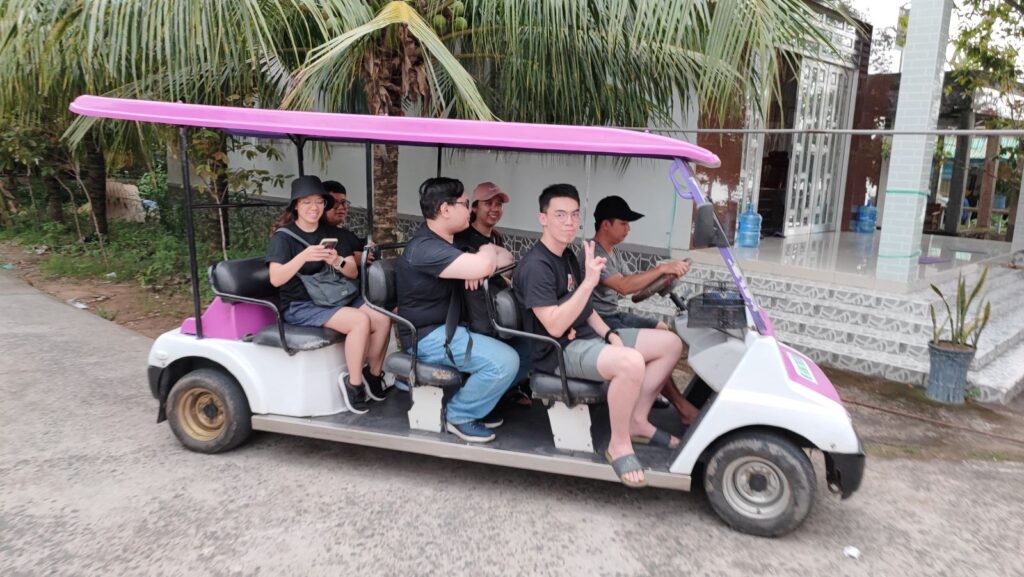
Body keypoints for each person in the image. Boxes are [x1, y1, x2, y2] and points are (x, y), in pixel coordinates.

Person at [513, 184, 684, 488]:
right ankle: (619, 444)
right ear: (543, 218)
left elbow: (588, 309)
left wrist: (609, 333)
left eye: (574, 215)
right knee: (630, 363)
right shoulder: (536, 266)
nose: (569, 222)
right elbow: (553, 326)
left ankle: (636, 421)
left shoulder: (567, 256)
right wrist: (589, 282)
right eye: (560, 215)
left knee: (670, 343)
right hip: (558, 351)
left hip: (586, 335)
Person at [395, 177, 519, 443]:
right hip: (427, 337)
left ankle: (478, 405)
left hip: (449, 328)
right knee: (505, 361)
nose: (469, 210)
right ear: (445, 209)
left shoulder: (448, 241)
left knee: (524, 349)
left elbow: (507, 258)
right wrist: (485, 256)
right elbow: (484, 266)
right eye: (465, 204)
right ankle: (459, 415)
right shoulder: (425, 248)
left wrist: (483, 256)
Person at [266, 176, 392, 415]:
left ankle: (372, 375)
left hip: (334, 297)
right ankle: (353, 384)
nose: (313, 208)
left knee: (382, 318)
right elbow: (276, 278)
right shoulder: (284, 238)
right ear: (295, 206)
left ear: (324, 205)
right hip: (302, 305)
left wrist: (337, 260)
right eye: (306, 203)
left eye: (318, 202)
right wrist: (303, 257)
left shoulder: (331, 233)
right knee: (360, 320)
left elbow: (353, 272)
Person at [584, 195, 699, 424]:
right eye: (623, 224)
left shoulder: (613, 251)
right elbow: (624, 286)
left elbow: (632, 281)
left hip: (615, 315)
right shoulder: (595, 253)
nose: (628, 229)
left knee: (663, 329)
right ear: (605, 224)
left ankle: (652, 392)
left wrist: (664, 275)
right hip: (601, 322)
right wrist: (661, 269)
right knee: (662, 344)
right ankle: (675, 407)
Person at [453, 182, 531, 404]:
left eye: (499, 204)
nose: (495, 208)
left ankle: (508, 387)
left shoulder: (495, 237)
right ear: (474, 208)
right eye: (488, 203)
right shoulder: (464, 240)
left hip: (497, 308)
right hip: (475, 316)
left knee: (534, 341)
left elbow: (505, 273)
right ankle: (487, 395)